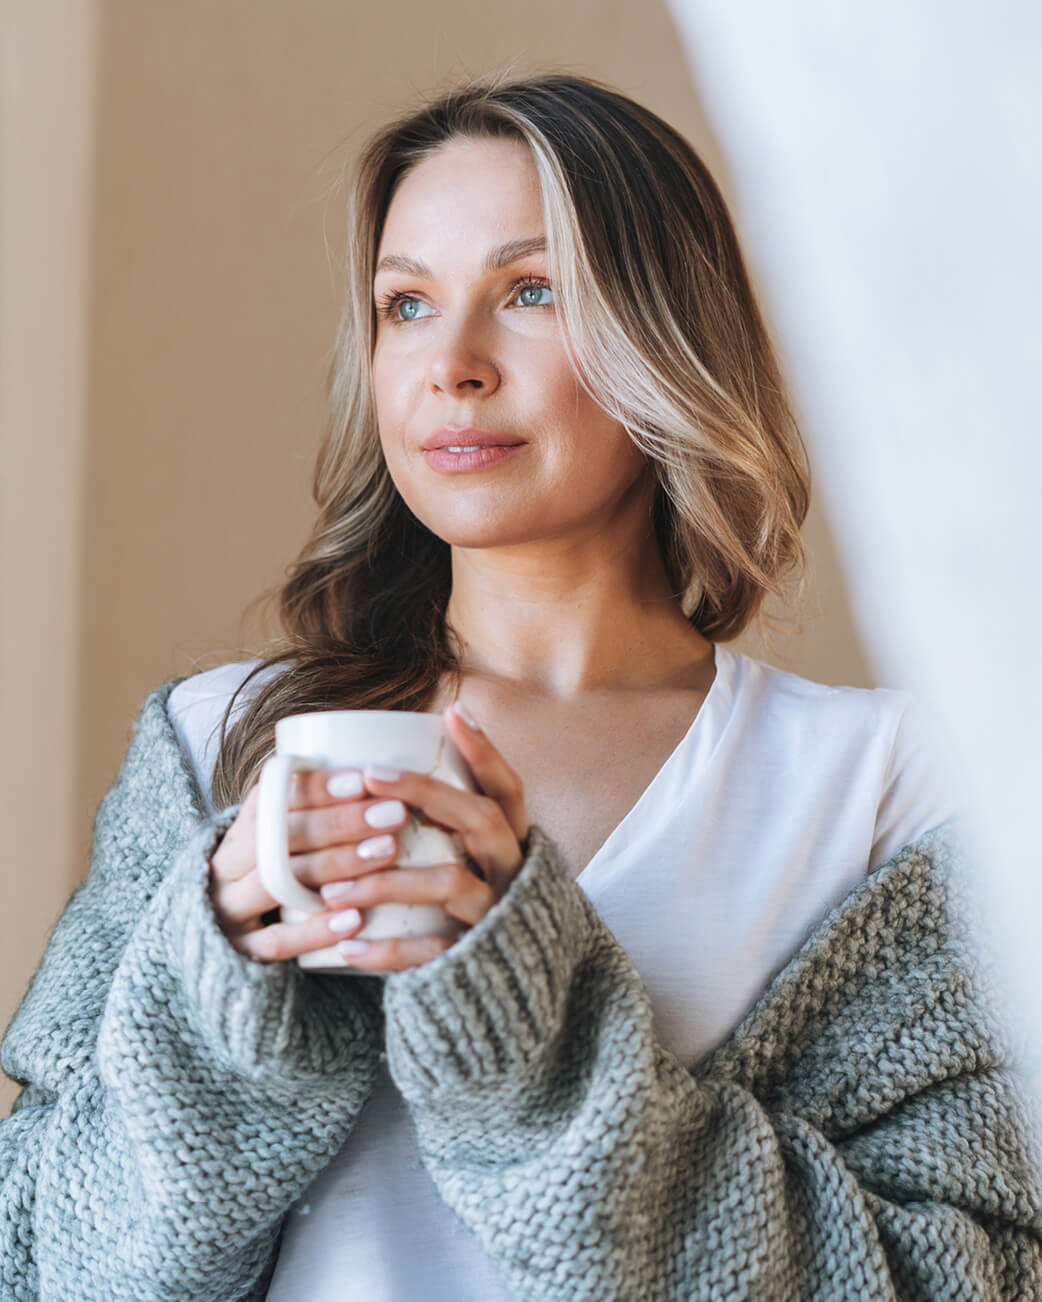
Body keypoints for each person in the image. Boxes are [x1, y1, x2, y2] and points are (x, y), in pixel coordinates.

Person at [2, 67, 1040, 1302]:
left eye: (530, 292)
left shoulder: (890, 789)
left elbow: (962, 1280)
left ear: (667, 332)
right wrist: (218, 985)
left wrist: (520, 1020)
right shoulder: (215, 745)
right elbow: (40, 1260)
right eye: (406, 305)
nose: (453, 364)